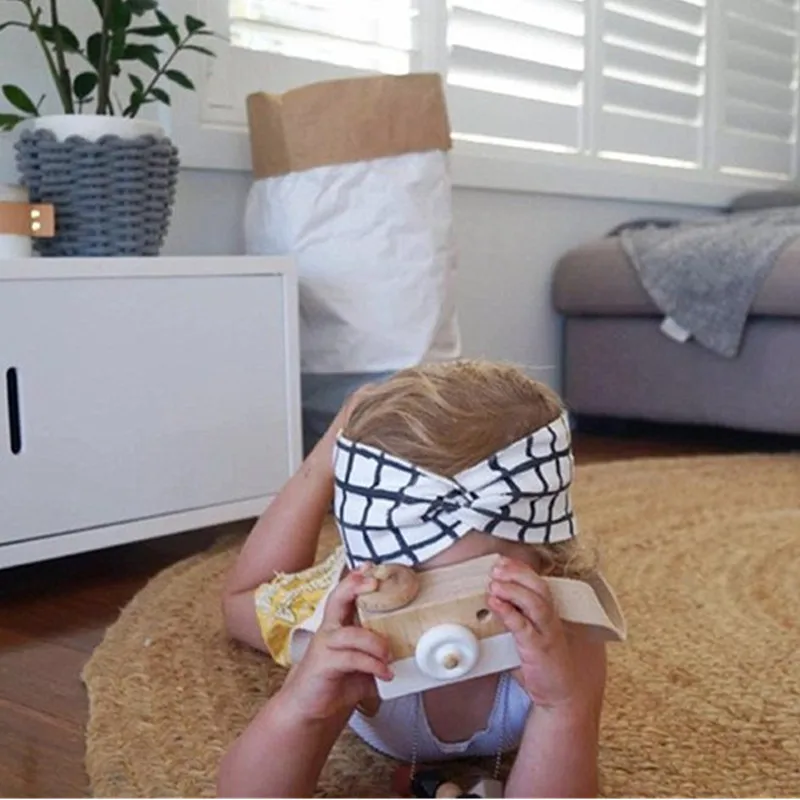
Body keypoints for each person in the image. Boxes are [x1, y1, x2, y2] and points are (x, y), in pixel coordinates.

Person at [217, 360, 615, 798]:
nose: (442, 618)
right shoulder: (352, 628)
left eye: (469, 588)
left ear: (548, 563)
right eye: (411, 586)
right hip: (361, 596)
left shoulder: (563, 635)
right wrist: (301, 708)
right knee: (241, 607)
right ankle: (328, 454)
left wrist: (562, 706)